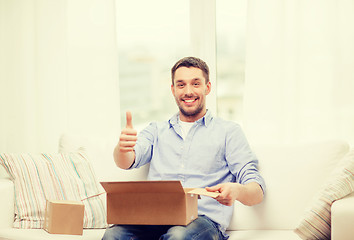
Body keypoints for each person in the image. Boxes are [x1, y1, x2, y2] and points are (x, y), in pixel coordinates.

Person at [102, 57, 266, 240]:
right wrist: (122, 148)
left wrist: (237, 190)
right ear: (173, 90)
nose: (188, 91)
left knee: (178, 237)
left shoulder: (229, 132)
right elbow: (127, 161)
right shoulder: (156, 130)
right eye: (181, 85)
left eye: (196, 84)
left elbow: (256, 191)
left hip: (202, 221)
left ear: (208, 87)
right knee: (113, 235)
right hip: (152, 218)